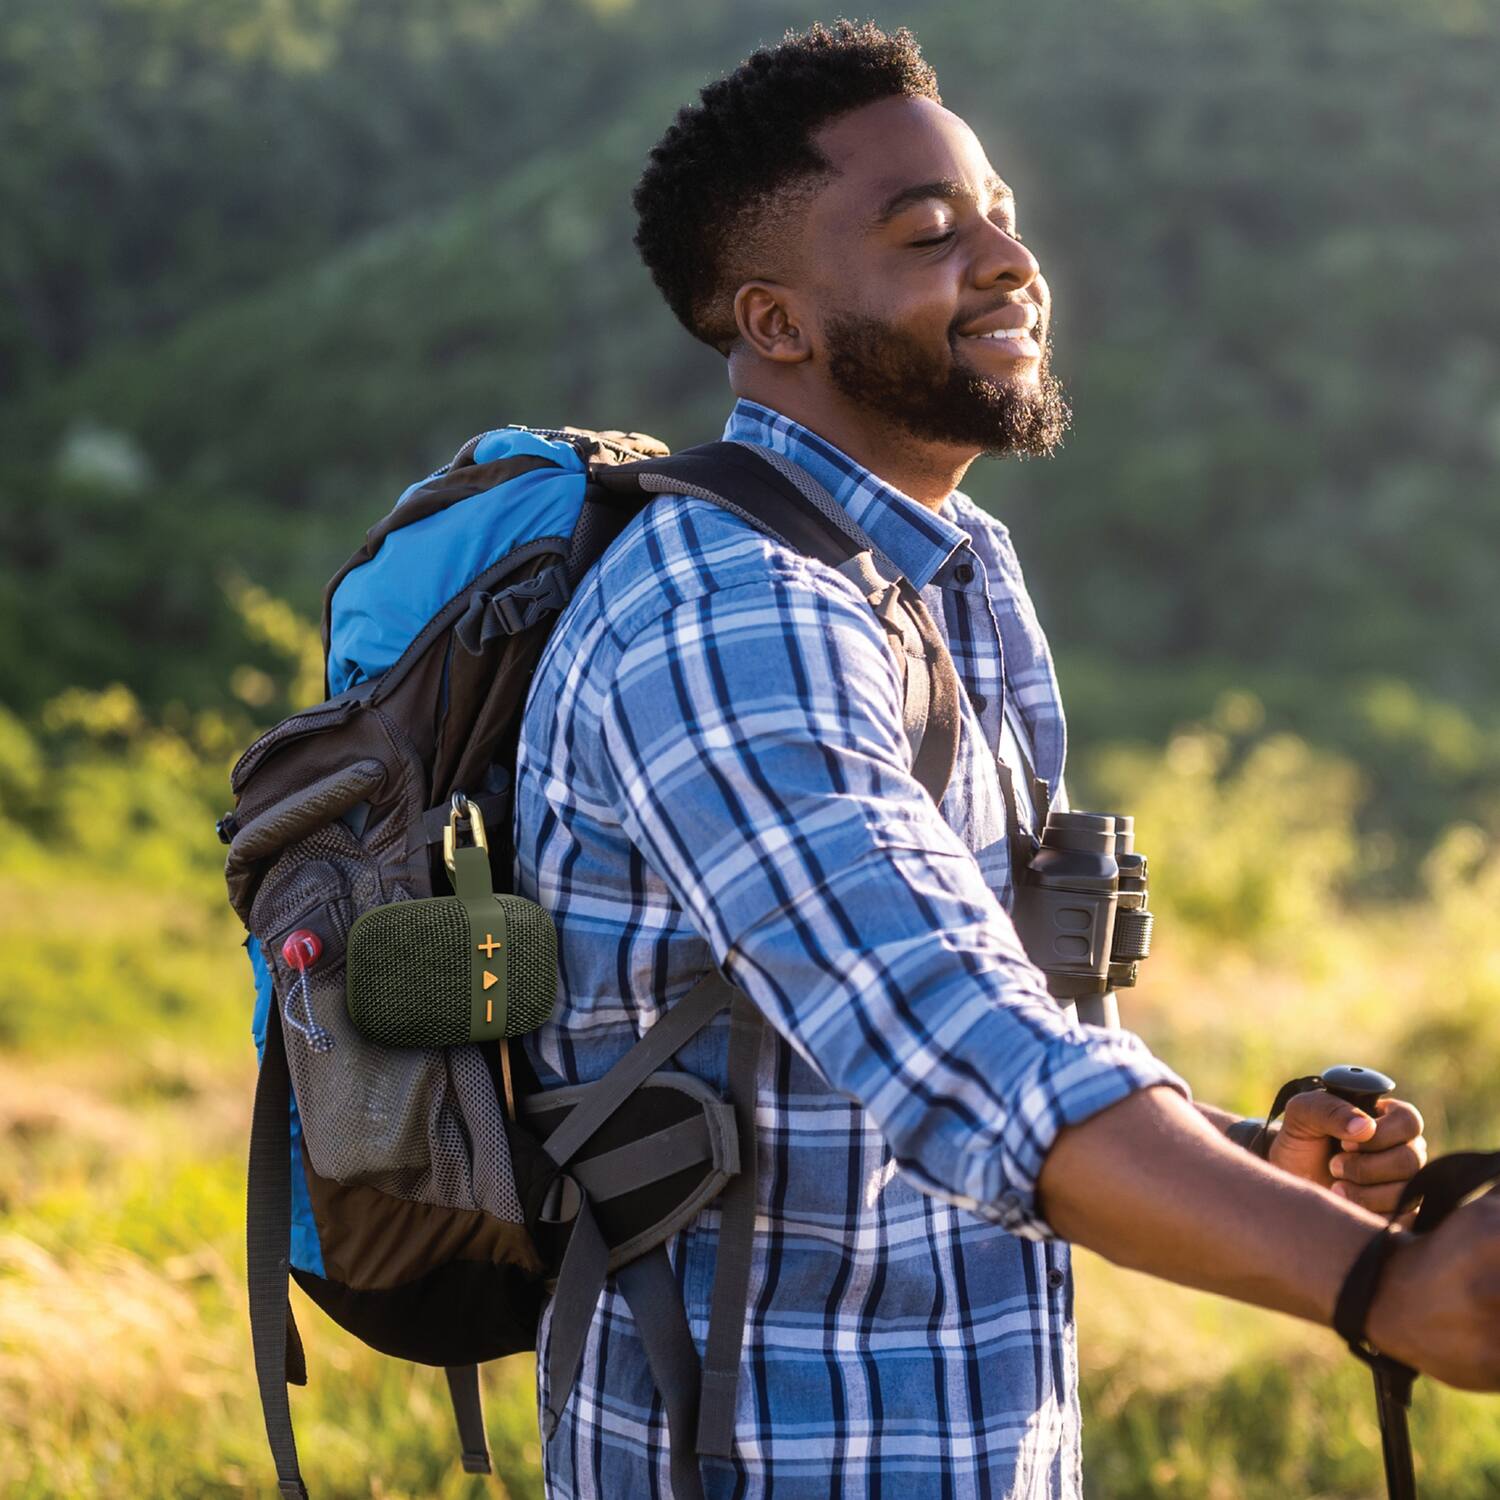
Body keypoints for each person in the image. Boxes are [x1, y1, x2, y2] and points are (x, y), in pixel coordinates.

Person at [512, 21, 1495, 1498]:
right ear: (776, 323)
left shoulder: (949, 568)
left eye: (1002, 217)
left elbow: (996, 1022)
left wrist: (1253, 1161)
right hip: (772, 1455)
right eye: (929, 235)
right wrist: (1379, 1289)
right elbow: (957, 1041)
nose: (1010, 262)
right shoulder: (730, 616)